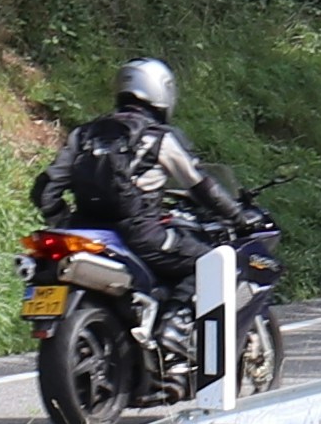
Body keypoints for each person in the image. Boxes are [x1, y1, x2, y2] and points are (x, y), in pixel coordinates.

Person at [39, 57, 259, 372]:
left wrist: (64, 222)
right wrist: (238, 217)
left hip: (87, 235)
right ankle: (175, 323)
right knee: (210, 261)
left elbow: (45, 188)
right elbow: (201, 186)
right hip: (140, 235)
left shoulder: (83, 135)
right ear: (160, 92)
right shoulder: (158, 137)